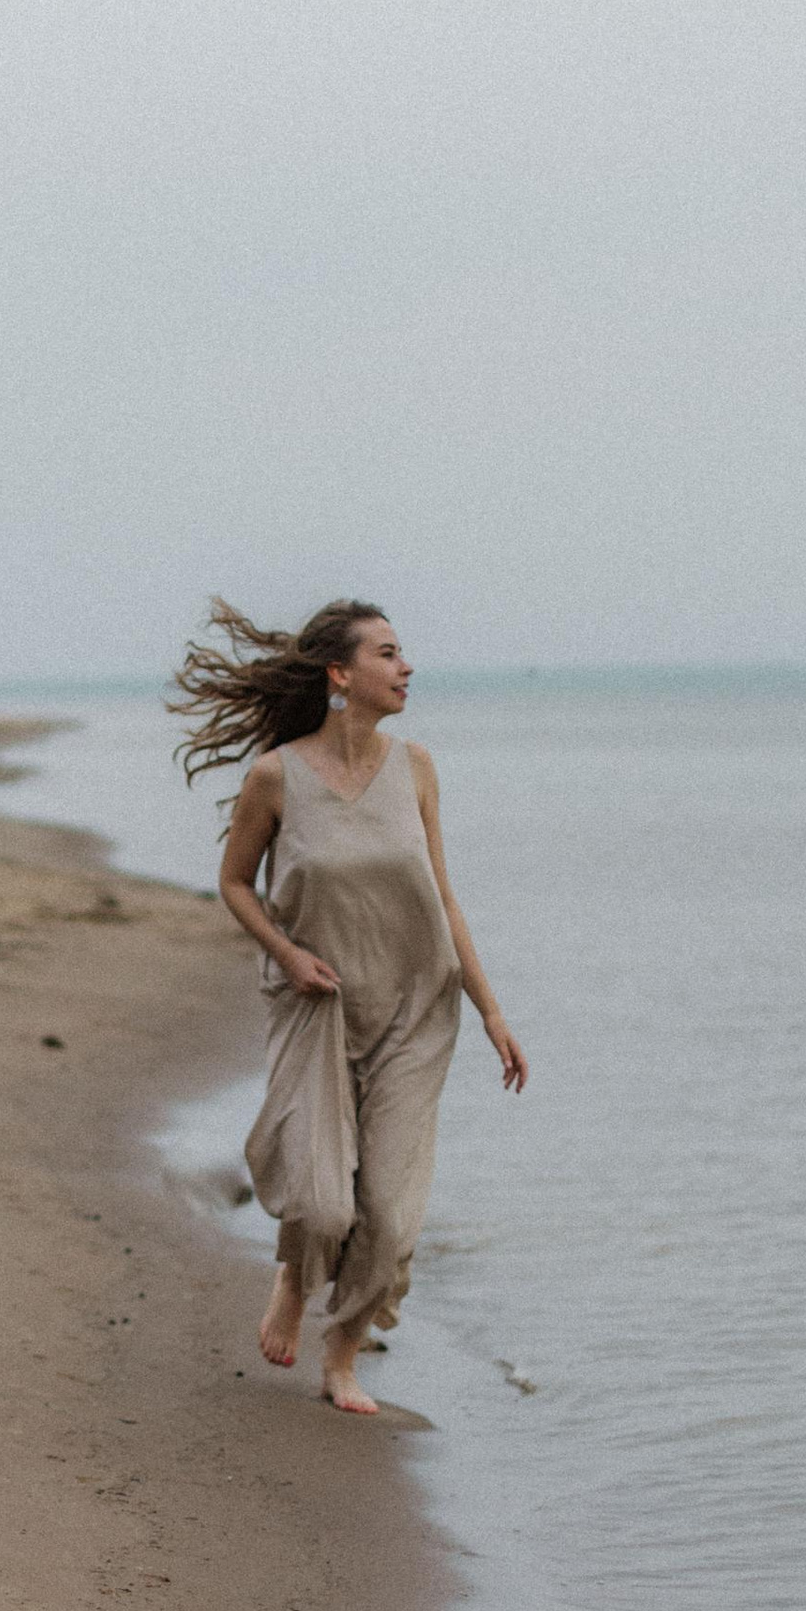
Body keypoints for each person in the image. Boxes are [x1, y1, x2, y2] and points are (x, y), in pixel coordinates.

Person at [169, 599, 527, 1415]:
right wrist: (286, 952)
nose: (406, 668)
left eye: (405, 655)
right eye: (389, 654)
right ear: (341, 674)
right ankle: (295, 1274)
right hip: (318, 1007)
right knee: (325, 1201)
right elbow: (234, 881)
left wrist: (491, 1012)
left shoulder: (419, 769)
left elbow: (444, 897)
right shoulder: (276, 775)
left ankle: (342, 1355)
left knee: (391, 1217)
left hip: (414, 1012)